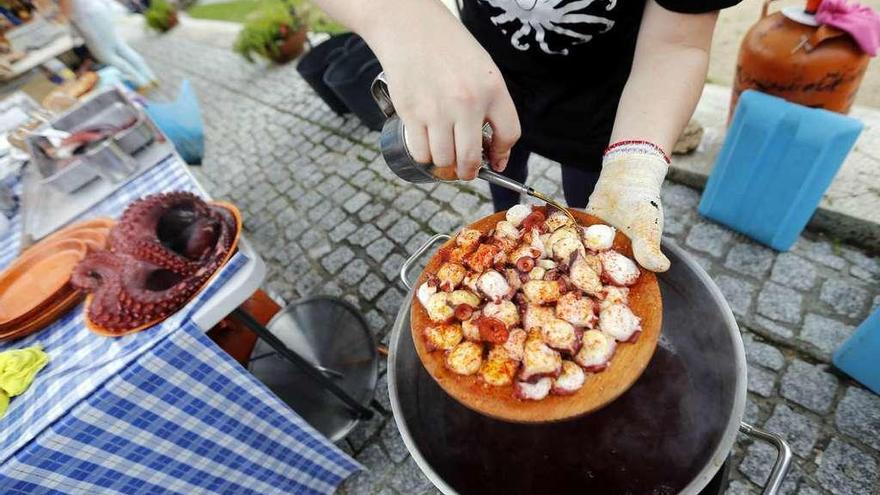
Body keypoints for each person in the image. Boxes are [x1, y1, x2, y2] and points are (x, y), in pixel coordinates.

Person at [310, 0, 741, 272]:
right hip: (483, 90)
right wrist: (397, 14)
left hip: (607, 111)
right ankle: (506, 217)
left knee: (587, 206)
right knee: (501, 174)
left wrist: (634, 165)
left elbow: (679, 43)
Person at [58, 0, 157, 91]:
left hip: (87, 17)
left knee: (106, 56)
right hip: (95, 11)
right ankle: (149, 77)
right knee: (120, 47)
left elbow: (66, 7)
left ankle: (140, 82)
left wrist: (60, 19)